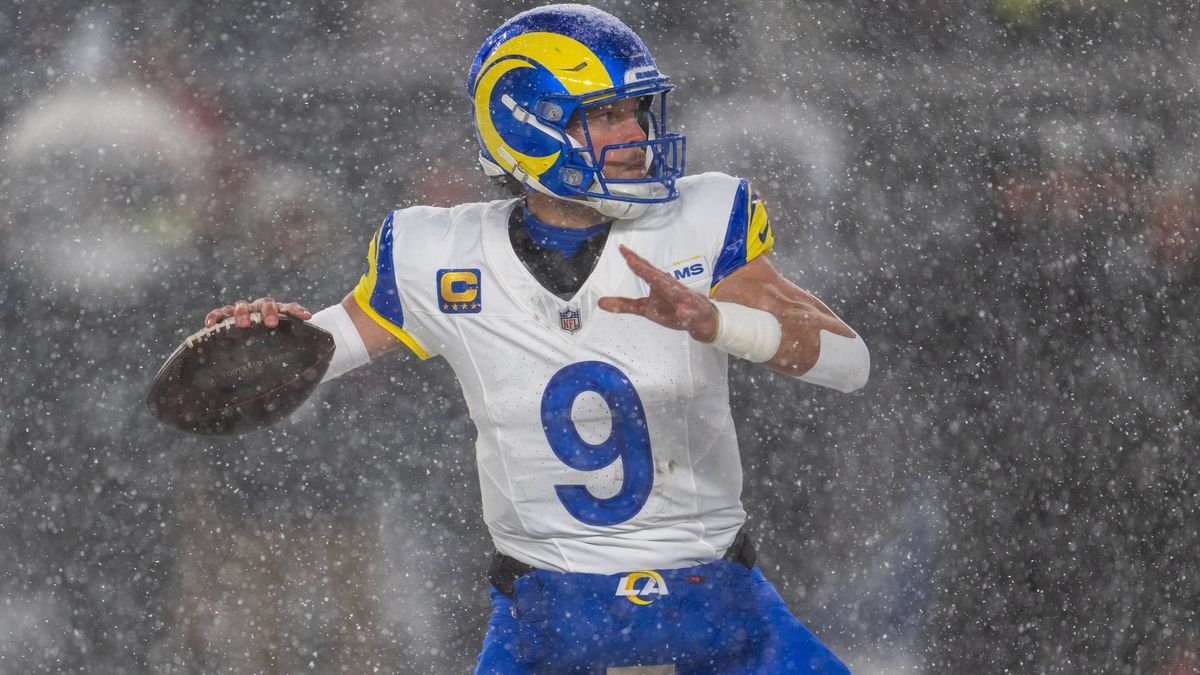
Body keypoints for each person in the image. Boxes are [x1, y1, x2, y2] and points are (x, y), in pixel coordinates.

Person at [205, 5, 869, 673]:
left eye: (638, 111)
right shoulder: (439, 252)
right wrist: (266, 336)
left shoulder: (700, 219)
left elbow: (849, 362)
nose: (636, 132)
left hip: (715, 597)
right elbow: (321, 349)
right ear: (530, 125)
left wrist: (717, 321)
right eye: (608, 114)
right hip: (548, 614)